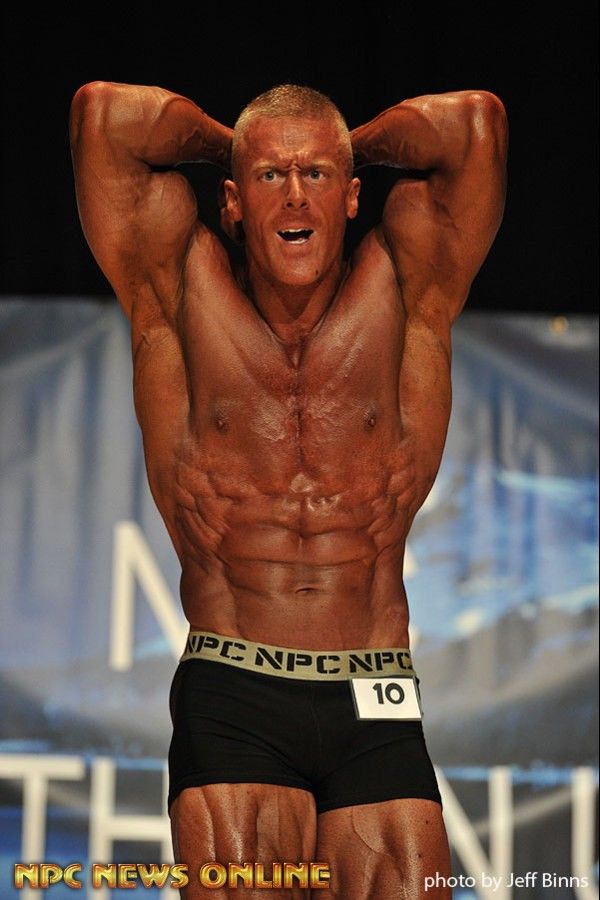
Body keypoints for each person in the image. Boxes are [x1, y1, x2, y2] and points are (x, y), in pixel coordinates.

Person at [69, 79, 507, 898]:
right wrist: (234, 145)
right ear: (234, 202)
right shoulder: (178, 287)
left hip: (374, 689)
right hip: (235, 694)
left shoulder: (407, 286)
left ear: (351, 197)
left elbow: (475, 127)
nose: (296, 195)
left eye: (317, 175)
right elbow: (103, 118)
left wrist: (343, 143)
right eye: (271, 176)